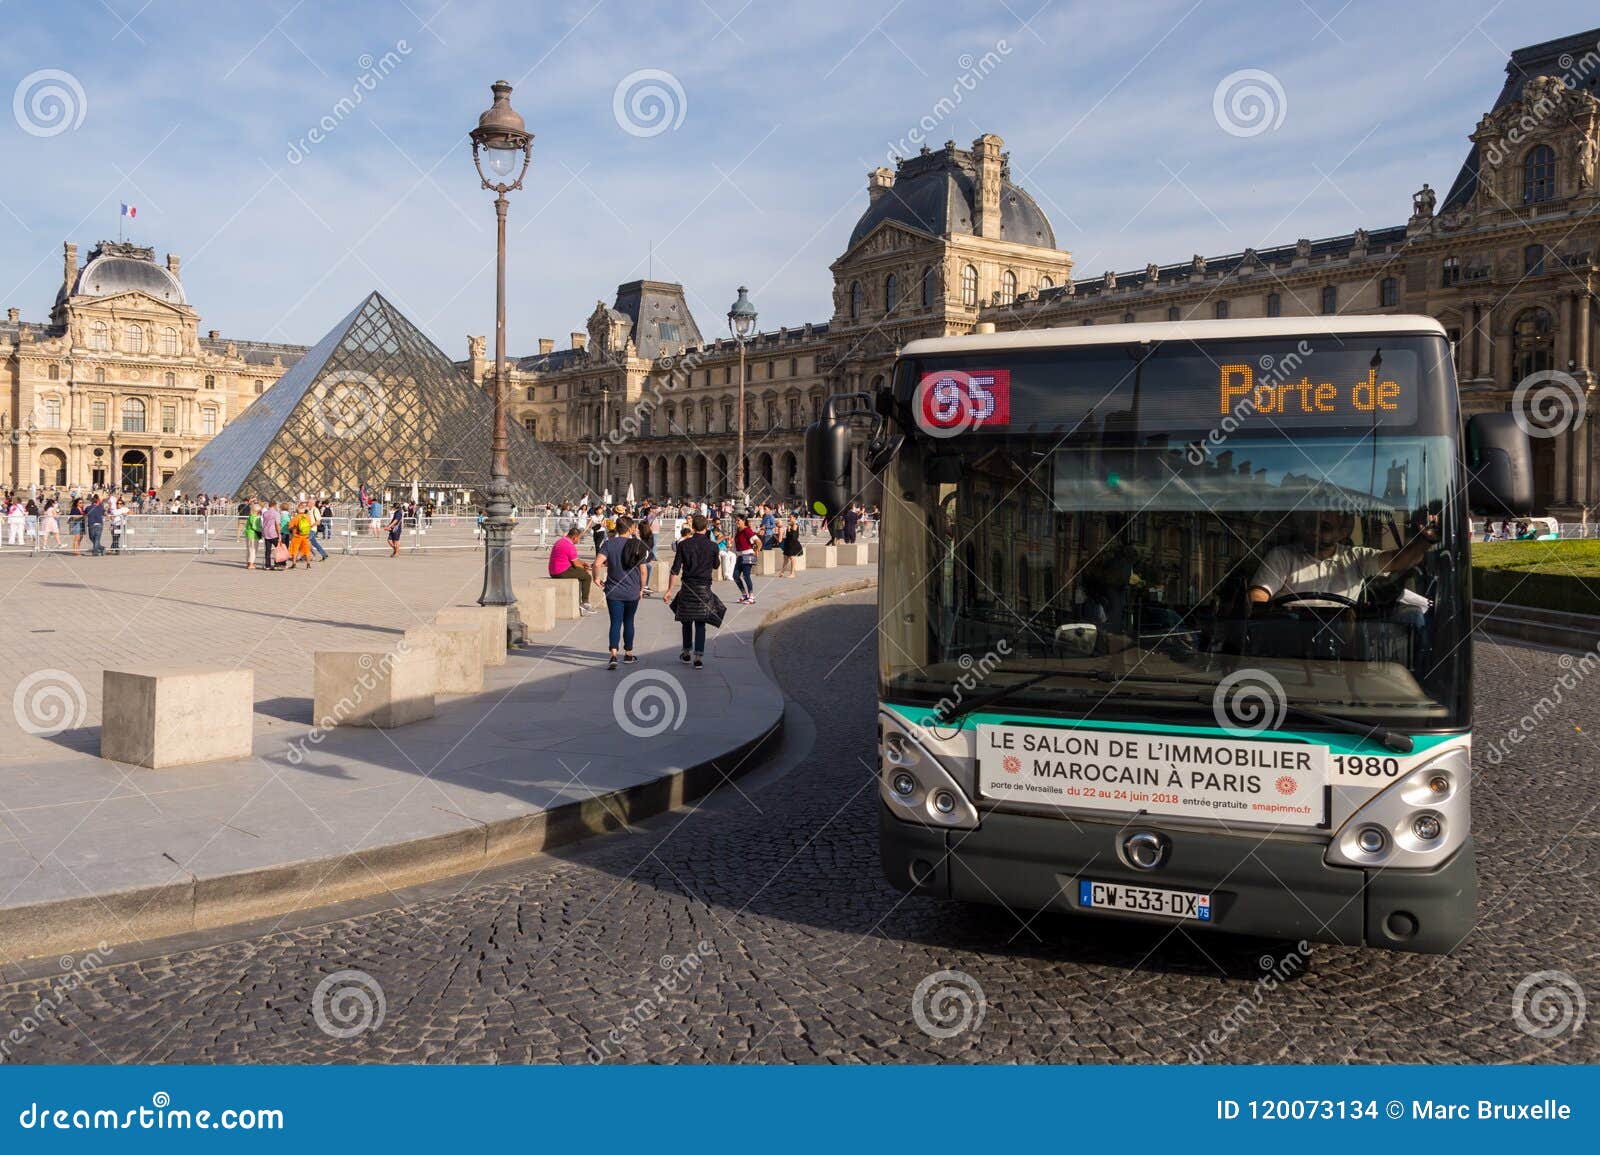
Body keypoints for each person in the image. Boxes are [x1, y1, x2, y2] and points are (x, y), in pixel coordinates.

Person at [1248, 507, 1435, 606]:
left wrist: (1426, 540)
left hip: (1343, 646)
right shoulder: (1282, 557)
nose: (1316, 531)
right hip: (1289, 640)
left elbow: (1398, 561)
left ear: (1342, 532)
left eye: (1326, 528)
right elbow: (1257, 597)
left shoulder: (1356, 558)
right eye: (1312, 524)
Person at [667, 514, 722, 669]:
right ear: (706, 528)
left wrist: (669, 590)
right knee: (700, 623)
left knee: (686, 621)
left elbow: (675, 570)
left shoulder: (683, 545)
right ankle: (698, 657)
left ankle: (686, 653)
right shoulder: (712, 546)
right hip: (704, 587)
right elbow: (716, 566)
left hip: (688, 587)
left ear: (693, 528)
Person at [595, 515, 645, 670]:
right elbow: (643, 571)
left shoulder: (609, 544)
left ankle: (614, 655)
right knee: (629, 621)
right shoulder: (637, 545)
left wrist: (596, 578)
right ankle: (629, 653)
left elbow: (597, 563)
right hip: (632, 591)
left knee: (615, 622)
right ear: (630, 529)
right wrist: (642, 588)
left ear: (616, 528)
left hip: (613, 591)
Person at [549, 525, 599, 614]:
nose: (578, 541)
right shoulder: (570, 546)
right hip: (561, 571)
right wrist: (585, 568)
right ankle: (585, 602)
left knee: (581, 572)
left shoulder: (561, 541)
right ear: (574, 537)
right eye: (578, 539)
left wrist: (583, 564)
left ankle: (583, 601)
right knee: (587, 576)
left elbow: (575, 559)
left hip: (553, 570)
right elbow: (576, 564)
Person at [732, 514, 760, 605]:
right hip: (740, 556)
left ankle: (751, 596)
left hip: (748, 555)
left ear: (743, 521)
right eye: (736, 520)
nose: (737, 522)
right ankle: (744, 595)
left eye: (738, 520)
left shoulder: (747, 530)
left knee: (746, 576)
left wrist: (756, 552)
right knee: (735, 575)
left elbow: (758, 542)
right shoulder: (738, 532)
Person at [287, 503, 314, 569]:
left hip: (297, 536)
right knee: (307, 550)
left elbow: (290, 526)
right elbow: (310, 525)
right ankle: (308, 564)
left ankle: (294, 563)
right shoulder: (307, 517)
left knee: (295, 550)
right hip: (305, 536)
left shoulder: (296, 517)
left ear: (297, 510)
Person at [261, 500, 281, 570]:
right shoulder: (276, 513)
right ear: (275, 505)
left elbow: (264, 523)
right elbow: (277, 525)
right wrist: (279, 535)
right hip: (274, 533)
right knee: (277, 549)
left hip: (266, 533)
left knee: (268, 550)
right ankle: (276, 564)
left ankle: (267, 565)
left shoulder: (265, 513)